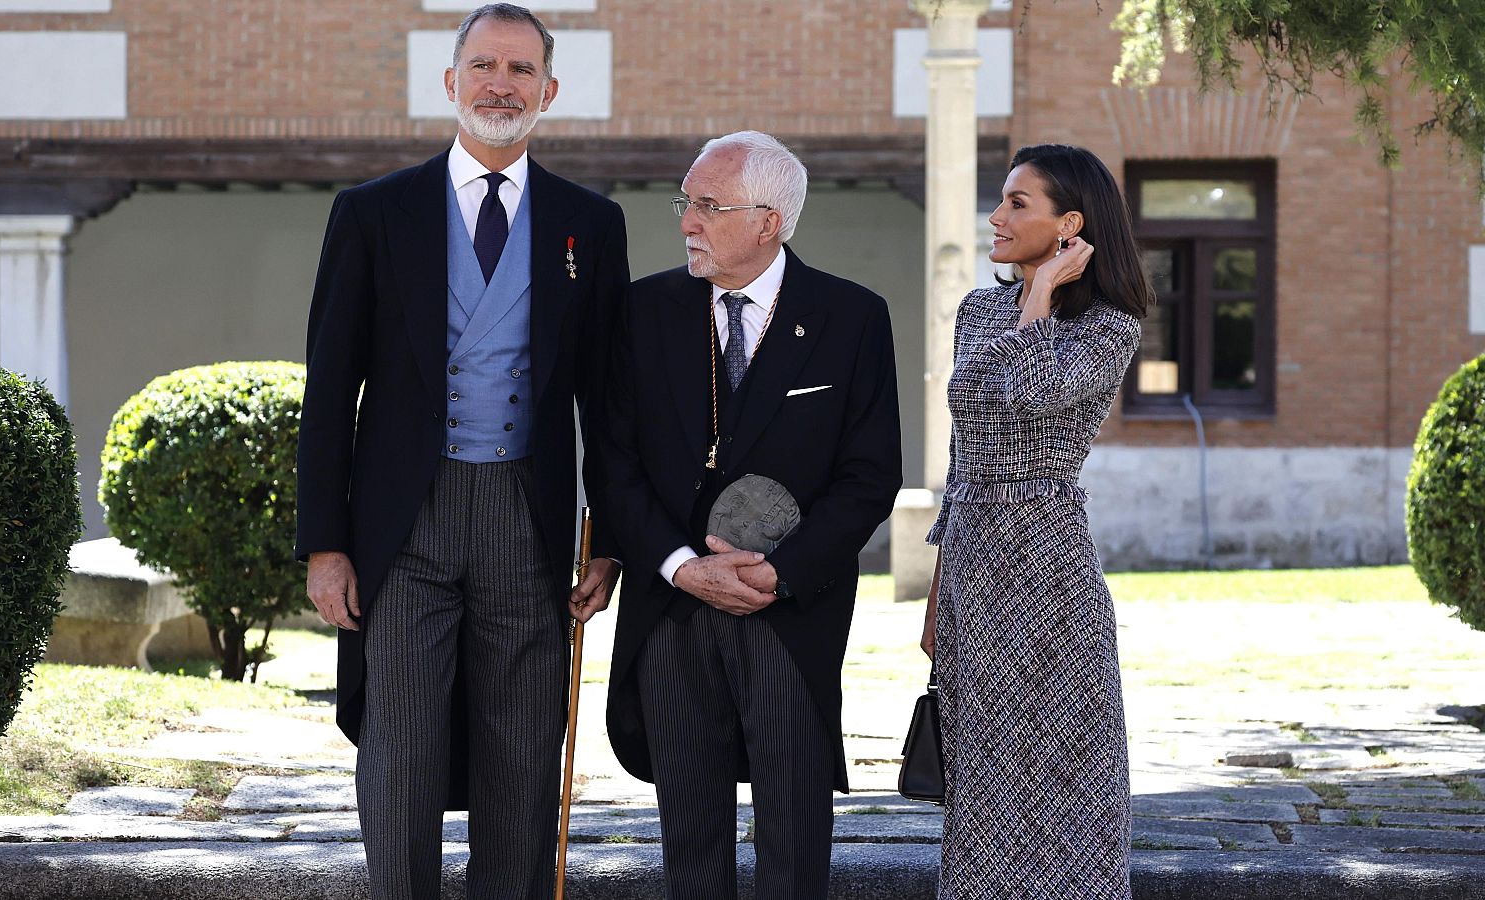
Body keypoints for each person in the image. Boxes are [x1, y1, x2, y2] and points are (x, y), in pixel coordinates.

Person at [294, 5, 628, 897]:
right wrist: (324, 544)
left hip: (528, 515)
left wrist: (609, 541)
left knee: (523, 749)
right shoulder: (373, 212)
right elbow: (329, 389)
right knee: (400, 748)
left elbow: (610, 401)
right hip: (406, 520)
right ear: (450, 82)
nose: (500, 85)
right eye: (484, 66)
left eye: (521, 70)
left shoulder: (590, 223)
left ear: (548, 92)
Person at [601, 130, 902, 899]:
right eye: (687, 202)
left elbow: (870, 476)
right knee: (690, 842)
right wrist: (681, 566)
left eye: (709, 206)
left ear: (769, 221)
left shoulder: (850, 317)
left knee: (792, 840)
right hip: (671, 609)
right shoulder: (643, 310)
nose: (687, 222)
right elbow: (612, 463)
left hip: (789, 612)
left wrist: (780, 572)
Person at [919, 143, 1153, 900]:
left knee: (1068, 771)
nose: (996, 215)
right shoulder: (977, 310)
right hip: (972, 554)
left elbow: (1032, 391)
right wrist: (937, 588)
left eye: (1017, 203)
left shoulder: (1111, 328)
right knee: (983, 773)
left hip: (1049, 557)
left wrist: (1042, 292)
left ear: (1069, 225)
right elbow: (964, 447)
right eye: (1001, 199)